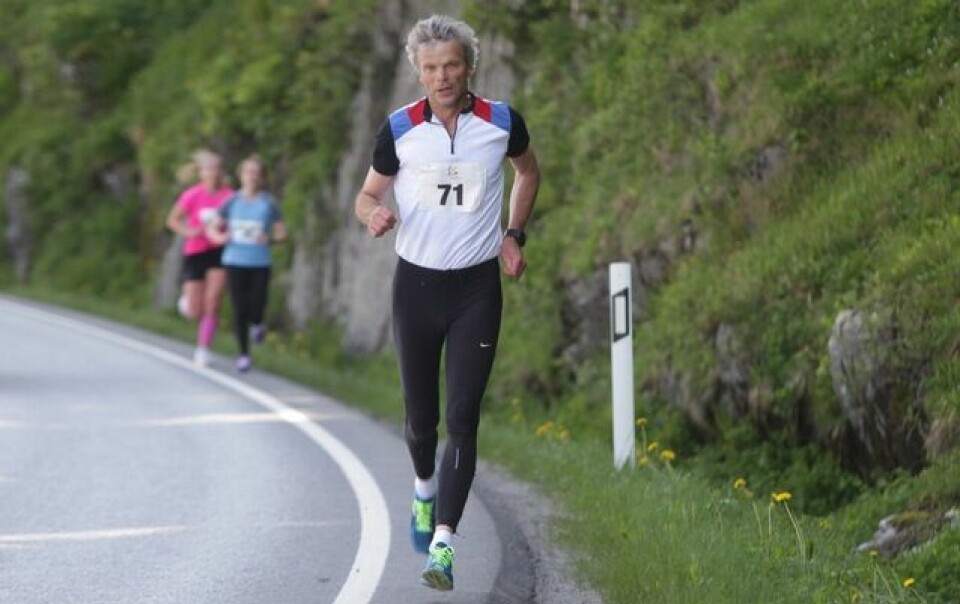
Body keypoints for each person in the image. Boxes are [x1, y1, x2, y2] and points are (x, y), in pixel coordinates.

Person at [353, 14, 540, 592]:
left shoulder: (501, 121)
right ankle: (423, 487)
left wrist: (513, 235)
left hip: (476, 291)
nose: (442, 77)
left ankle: (444, 544)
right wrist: (374, 214)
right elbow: (365, 194)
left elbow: (528, 173)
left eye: (452, 65)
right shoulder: (400, 128)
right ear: (418, 71)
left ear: (469, 67)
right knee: (421, 424)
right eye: (431, 68)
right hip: (417, 288)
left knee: (462, 417)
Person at [206, 155, 286, 373]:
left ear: (261, 178)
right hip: (234, 260)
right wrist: (220, 238)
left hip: (259, 261)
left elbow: (281, 232)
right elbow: (213, 227)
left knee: (257, 304)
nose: (251, 177)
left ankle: (258, 325)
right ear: (240, 176)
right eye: (247, 172)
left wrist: (268, 239)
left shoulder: (268, 203)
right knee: (239, 308)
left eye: (256, 173)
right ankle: (243, 354)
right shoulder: (231, 201)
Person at [166, 150, 234, 366]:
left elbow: (237, 220)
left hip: (220, 251)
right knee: (195, 310)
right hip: (196, 250)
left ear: (222, 172)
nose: (213, 174)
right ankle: (187, 303)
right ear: (201, 173)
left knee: (213, 301)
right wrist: (189, 232)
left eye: (216, 169)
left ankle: (203, 348)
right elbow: (173, 221)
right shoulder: (192, 195)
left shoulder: (229, 197)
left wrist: (228, 234)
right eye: (208, 169)